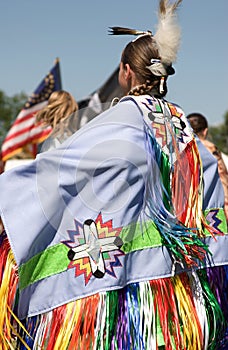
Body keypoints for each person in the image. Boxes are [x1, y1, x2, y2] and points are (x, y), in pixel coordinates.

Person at [0, 1, 227, 349]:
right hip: (179, 301)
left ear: (125, 71)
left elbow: (57, 172)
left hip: (119, 299)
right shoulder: (188, 135)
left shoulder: (116, 124)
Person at [187, 112, 228, 223]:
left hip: (187, 218)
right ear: (205, 131)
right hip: (214, 217)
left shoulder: (181, 153)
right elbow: (223, 180)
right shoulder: (212, 150)